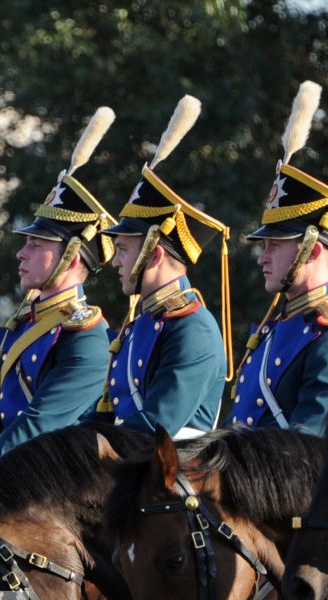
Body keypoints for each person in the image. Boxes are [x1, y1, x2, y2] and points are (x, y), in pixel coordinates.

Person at [0, 109, 116, 455]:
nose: (21, 253)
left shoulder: (87, 338)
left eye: (37, 244)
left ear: (72, 258)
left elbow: (37, 427)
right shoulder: (29, 323)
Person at [228, 83, 328, 434]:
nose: (263, 258)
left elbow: (307, 452)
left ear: (312, 249)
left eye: (275, 246)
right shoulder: (279, 323)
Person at [89, 95, 231, 439]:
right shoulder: (142, 322)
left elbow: (156, 426)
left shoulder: (191, 327)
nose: (116, 261)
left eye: (123, 249)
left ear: (153, 255)